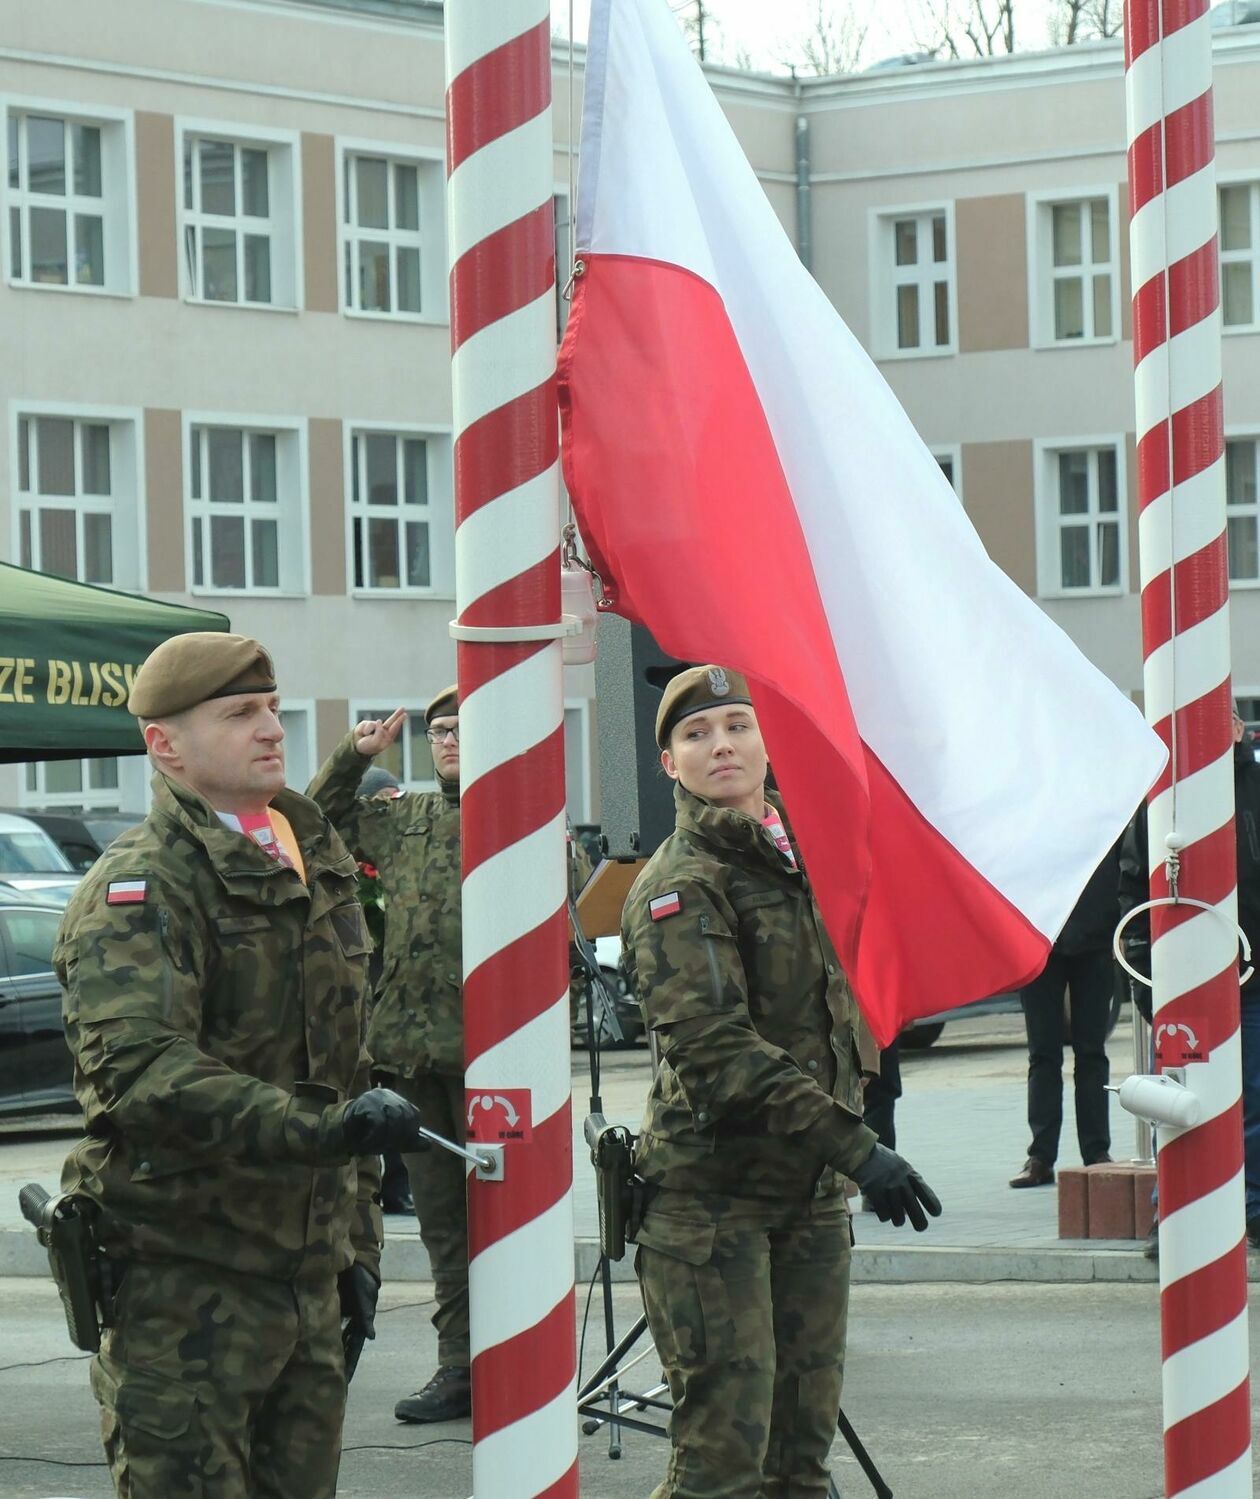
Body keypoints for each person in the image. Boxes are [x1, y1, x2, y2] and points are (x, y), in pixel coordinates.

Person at [55, 632, 426, 1499]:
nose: (270, 727)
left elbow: (347, 1062)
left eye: (269, 707)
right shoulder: (145, 886)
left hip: (307, 1282)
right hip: (186, 1286)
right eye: (238, 713)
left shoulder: (309, 857)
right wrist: (322, 1131)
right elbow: (141, 1074)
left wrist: (357, 1248)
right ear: (164, 743)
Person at [621, 664, 941, 1499]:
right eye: (696, 735)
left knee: (799, 1460)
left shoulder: (798, 856)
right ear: (669, 763)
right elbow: (715, 1050)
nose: (720, 745)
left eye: (736, 725)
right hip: (711, 1205)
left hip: (807, 1197)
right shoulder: (682, 882)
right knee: (721, 1461)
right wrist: (860, 1146)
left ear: (766, 739)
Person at [308, 689, 589, 1423]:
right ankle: (460, 1367)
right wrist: (353, 755)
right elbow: (311, 824)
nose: (450, 740)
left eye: (465, 727)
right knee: (444, 1226)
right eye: (439, 730)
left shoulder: (527, 817)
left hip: (503, 1060)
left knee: (519, 1216)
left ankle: (529, 1363)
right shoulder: (405, 822)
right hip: (417, 1059)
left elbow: (575, 879)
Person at [1121, 704, 1260, 1253]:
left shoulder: (1252, 788)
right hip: (1183, 985)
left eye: (1223, 722)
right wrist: (1143, 977)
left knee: (1253, 1097)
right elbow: (1135, 887)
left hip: (1252, 979)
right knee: (1178, 1096)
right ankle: (1172, 1211)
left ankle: (1248, 1207)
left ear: (1234, 728)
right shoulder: (1161, 795)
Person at [1009, 842, 1121, 1188]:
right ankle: (1041, 1156)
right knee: (1043, 1054)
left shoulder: (1102, 807)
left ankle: (1096, 1151)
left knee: (1091, 1052)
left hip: (1097, 939)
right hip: (1039, 939)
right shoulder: (1033, 812)